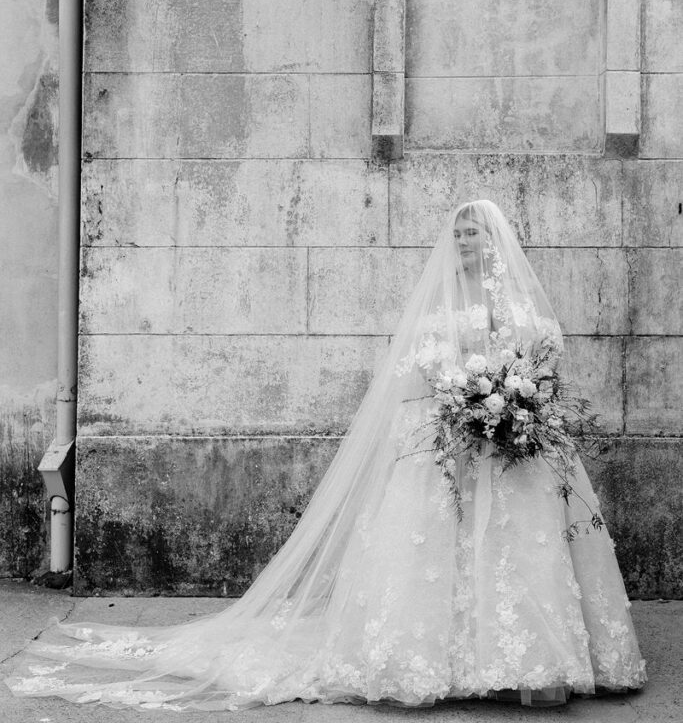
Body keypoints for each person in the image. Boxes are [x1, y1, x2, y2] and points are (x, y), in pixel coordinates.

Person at [6, 199, 646, 711]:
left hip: (512, 444)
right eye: (458, 234)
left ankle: (526, 661)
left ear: (496, 240)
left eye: (474, 233)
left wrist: (511, 403)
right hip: (445, 439)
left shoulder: (519, 307)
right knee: (437, 551)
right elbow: (412, 373)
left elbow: (542, 360)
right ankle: (434, 658)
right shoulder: (436, 304)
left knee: (515, 549)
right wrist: (461, 399)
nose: (465, 243)